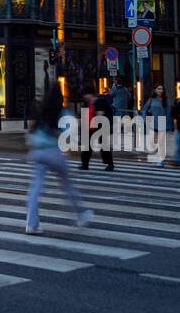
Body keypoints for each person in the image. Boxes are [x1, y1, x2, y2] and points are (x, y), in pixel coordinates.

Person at [25, 85, 93, 235]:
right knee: (67, 185)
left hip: (38, 153)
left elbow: (31, 132)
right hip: (54, 152)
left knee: (35, 188)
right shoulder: (63, 113)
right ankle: (81, 213)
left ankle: (32, 225)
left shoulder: (41, 112)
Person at [80, 85, 114, 171]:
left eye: (86, 94)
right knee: (86, 146)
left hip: (101, 127)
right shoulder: (86, 103)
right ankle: (85, 164)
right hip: (89, 127)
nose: (85, 96)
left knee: (104, 146)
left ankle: (110, 164)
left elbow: (100, 115)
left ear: (91, 94)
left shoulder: (100, 101)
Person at [141, 84, 170, 166]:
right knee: (153, 142)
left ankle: (161, 160)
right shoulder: (151, 100)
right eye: (159, 89)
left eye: (162, 89)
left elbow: (168, 113)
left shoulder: (166, 100)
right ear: (155, 90)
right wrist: (144, 120)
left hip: (162, 122)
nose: (161, 90)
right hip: (152, 122)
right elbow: (144, 109)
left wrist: (169, 124)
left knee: (161, 142)